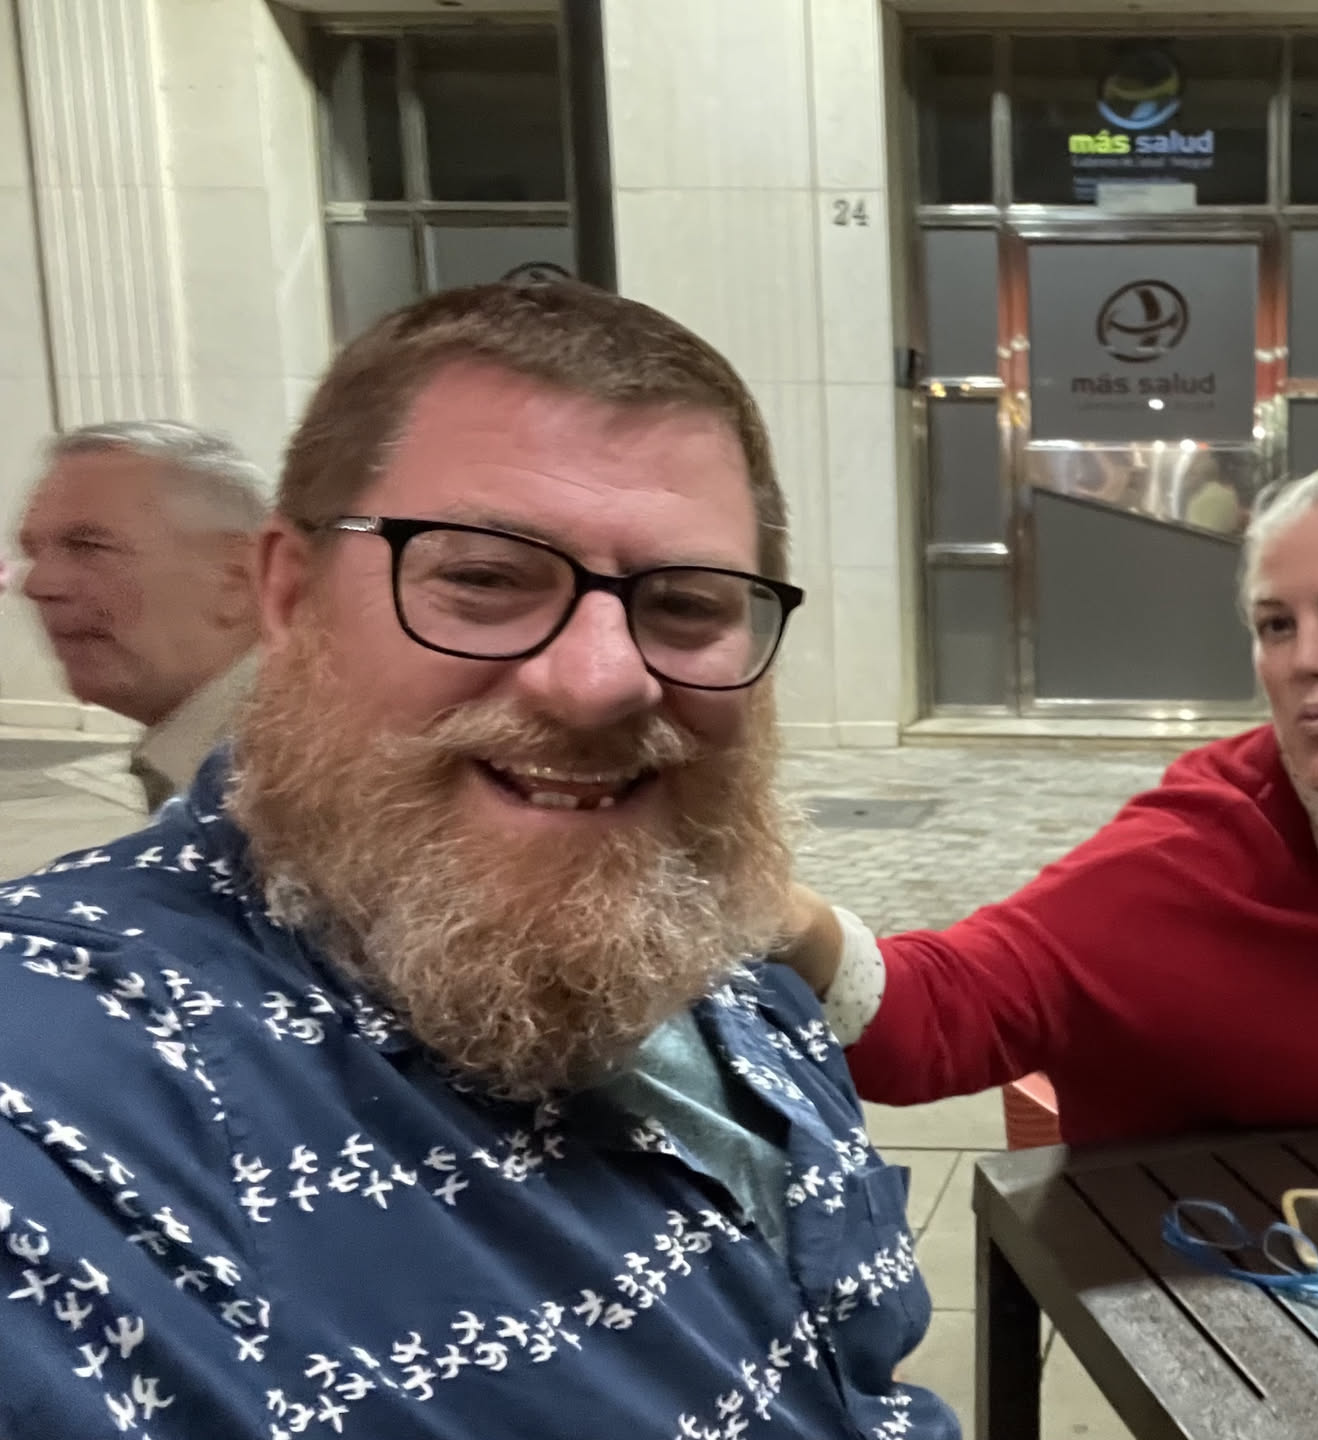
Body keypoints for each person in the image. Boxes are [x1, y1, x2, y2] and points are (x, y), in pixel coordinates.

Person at [0, 282, 955, 1439]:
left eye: (685, 604)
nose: (603, 679)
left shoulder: (710, 954)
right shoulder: (72, 1077)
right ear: (290, 595)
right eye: (486, 579)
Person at [781, 461, 1318, 1144]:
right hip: (1233, 1271)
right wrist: (794, 926)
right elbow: (948, 1012)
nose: (1306, 659)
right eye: (1275, 626)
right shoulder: (1184, 860)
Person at [15, 421, 267, 808]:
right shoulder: (206, 760)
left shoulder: (295, 782)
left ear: (236, 576)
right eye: (33, 552)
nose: (37, 584)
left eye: (88, 546)